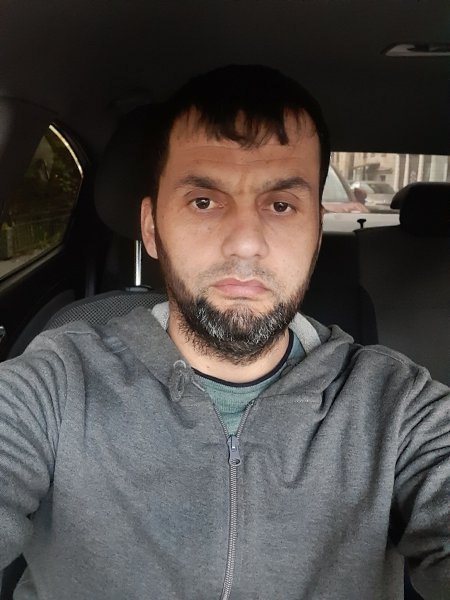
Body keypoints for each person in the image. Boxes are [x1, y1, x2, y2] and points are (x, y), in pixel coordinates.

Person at [0, 65, 448, 600]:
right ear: (151, 228)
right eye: (204, 201)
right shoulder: (56, 384)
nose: (244, 243)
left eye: (280, 205)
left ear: (316, 233)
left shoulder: (396, 407)